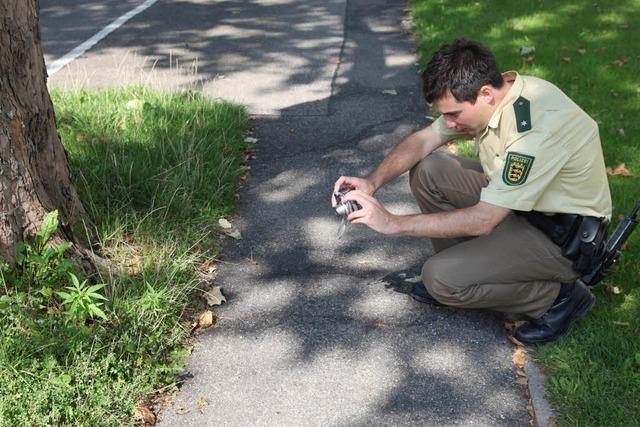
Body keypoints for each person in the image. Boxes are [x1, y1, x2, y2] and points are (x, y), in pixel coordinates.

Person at [332, 38, 612, 344]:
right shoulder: (498, 95)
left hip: (560, 240)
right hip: (524, 209)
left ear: (486, 94)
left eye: (453, 114)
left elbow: (484, 219)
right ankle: (468, 269)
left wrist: (392, 223)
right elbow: (424, 140)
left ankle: (557, 298)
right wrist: (372, 182)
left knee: (439, 279)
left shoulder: (533, 131)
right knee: (429, 170)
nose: (448, 122)